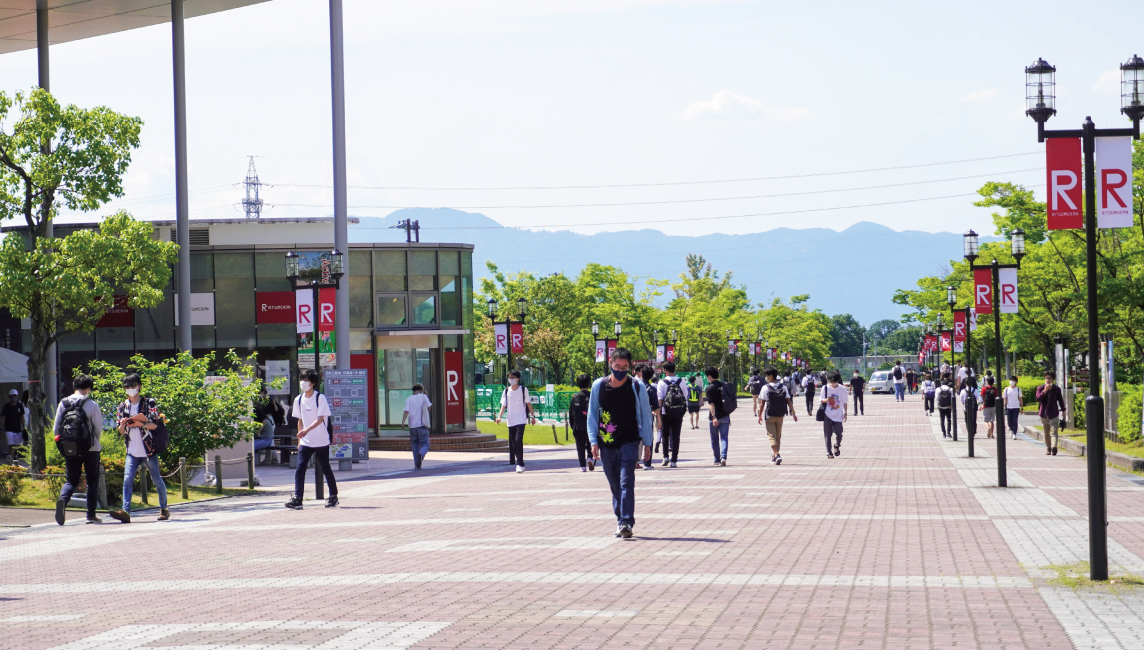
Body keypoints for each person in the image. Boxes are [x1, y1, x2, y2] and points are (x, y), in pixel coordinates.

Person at [587, 347, 653, 539]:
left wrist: (647, 443)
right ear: (610, 364)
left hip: (630, 440)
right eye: (617, 366)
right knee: (615, 483)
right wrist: (593, 441)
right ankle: (620, 519)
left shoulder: (636, 386)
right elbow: (592, 415)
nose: (620, 370)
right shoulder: (599, 385)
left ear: (629, 367)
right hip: (607, 442)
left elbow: (646, 415)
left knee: (626, 481)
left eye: (624, 367)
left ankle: (626, 521)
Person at [108, 373, 169, 523]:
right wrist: (122, 424)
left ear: (139, 386)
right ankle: (125, 511)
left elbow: (155, 425)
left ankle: (164, 509)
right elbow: (120, 431)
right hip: (131, 450)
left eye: (133, 386)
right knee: (127, 479)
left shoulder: (149, 403)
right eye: (127, 387)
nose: (130, 389)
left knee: (156, 480)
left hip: (148, 449)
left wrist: (140, 424)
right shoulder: (122, 406)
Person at [52, 374, 105, 525]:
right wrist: (93, 441)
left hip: (71, 448)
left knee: (71, 480)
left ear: (74, 387)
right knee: (92, 481)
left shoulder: (63, 403)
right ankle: (91, 515)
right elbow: (98, 428)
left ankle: (63, 500)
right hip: (91, 448)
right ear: (88, 388)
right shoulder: (92, 404)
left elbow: (56, 429)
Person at [285, 369, 338, 509]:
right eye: (302, 379)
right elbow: (300, 420)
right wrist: (300, 440)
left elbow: (320, 419)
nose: (303, 383)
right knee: (300, 468)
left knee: (325, 467)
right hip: (306, 442)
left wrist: (306, 431)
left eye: (306, 380)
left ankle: (333, 496)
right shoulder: (298, 399)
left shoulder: (319, 398)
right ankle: (298, 499)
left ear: (313, 383)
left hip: (321, 440)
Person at [496, 369, 536, 473]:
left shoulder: (523, 389)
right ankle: (519, 460)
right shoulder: (506, 391)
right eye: (509, 378)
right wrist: (499, 416)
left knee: (518, 440)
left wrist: (533, 416)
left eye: (513, 378)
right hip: (511, 420)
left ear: (517, 379)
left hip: (521, 419)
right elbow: (503, 405)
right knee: (513, 443)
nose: (511, 380)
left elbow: (528, 403)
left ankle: (520, 464)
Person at [757, 367, 796, 465]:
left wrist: (760, 415)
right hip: (780, 415)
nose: (766, 378)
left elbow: (762, 403)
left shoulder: (765, 388)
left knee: (771, 436)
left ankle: (776, 454)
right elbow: (788, 400)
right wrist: (793, 413)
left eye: (766, 376)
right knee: (778, 436)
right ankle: (775, 456)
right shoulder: (783, 387)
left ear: (770, 376)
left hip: (769, 415)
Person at [656, 361, 689, 468]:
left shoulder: (662, 382)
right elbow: (685, 397)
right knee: (676, 436)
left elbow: (660, 400)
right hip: (678, 413)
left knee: (665, 434)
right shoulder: (681, 381)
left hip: (666, 412)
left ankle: (665, 456)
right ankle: (674, 460)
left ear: (665, 370)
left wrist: (659, 415)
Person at [401, 383, 433, 469]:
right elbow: (429, 408)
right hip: (422, 424)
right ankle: (421, 454)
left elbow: (406, 411)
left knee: (414, 444)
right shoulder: (424, 397)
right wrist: (426, 396)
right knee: (425, 443)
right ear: (421, 390)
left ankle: (417, 464)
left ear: (413, 390)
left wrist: (403, 422)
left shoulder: (409, 399)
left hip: (412, 426)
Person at [1036, 371, 1067, 455]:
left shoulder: (1056, 389)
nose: (1048, 380)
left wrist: (1063, 411)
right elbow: (1038, 398)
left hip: (1054, 413)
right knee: (1046, 432)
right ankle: (1048, 448)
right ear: (1044, 379)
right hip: (1043, 414)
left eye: (1050, 378)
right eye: (1047, 378)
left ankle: (1054, 446)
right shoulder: (1040, 388)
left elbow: (1060, 400)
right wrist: (1045, 391)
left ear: (1053, 379)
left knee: (1054, 431)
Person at [705, 366, 730, 466]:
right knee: (724, 438)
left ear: (710, 376)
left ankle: (716, 459)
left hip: (714, 417)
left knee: (714, 439)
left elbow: (711, 404)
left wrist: (714, 417)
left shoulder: (709, 388)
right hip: (725, 415)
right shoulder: (724, 385)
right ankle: (723, 456)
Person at [568, 374, 594, 471]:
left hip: (578, 426)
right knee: (591, 443)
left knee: (580, 446)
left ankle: (582, 466)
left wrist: (573, 426)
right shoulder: (592, 395)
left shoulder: (575, 397)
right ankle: (590, 458)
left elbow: (571, 414)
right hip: (591, 426)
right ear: (588, 383)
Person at [638, 365, 661, 470]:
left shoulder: (635, 386)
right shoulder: (651, 389)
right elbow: (656, 406)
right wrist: (659, 420)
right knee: (648, 438)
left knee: (635, 439)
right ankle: (647, 463)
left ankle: (634, 461)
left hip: (635, 417)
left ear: (641, 374)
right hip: (647, 416)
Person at [820, 372, 848, 458]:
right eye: (831, 381)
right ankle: (829, 452)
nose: (833, 383)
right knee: (827, 434)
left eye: (834, 381)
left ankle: (837, 445)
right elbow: (821, 400)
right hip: (827, 414)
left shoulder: (842, 389)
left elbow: (845, 402)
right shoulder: (825, 388)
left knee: (839, 433)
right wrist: (827, 400)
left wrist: (845, 413)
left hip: (838, 415)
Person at [1, 389, 25, 463]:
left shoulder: (19, 406)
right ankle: (11, 460)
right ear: (10, 397)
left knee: (18, 446)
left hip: (18, 429)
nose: (14, 398)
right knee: (11, 445)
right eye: (12, 396)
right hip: (9, 429)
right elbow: (3, 418)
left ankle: (15, 457)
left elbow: (22, 417)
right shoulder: (6, 407)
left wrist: (24, 428)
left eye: (15, 396)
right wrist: (1, 428)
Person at [1002, 375, 1023, 440]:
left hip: (1016, 407)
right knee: (1009, 421)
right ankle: (1011, 429)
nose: (1012, 382)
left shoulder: (1018, 389)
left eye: (1013, 380)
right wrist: (1004, 406)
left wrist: (1022, 407)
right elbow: (1005, 398)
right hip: (1009, 407)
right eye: (1011, 380)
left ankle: (1014, 433)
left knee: (1015, 421)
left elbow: (1020, 399)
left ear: (1016, 382)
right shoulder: (1006, 389)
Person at [960, 376, 980, 441]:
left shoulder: (963, 391)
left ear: (965, 384)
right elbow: (980, 399)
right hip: (974, 408)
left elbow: (962, 400)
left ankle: (969, 432)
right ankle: (973, 431)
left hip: (966, 408)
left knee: (967, 420)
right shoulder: (975, 390)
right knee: (974, 420)